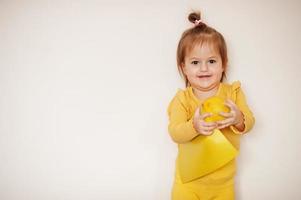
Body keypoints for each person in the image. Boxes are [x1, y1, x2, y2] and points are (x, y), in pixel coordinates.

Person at [167, 11, 255, 200]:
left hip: (223, 185)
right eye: (195, 62)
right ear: (184, 67)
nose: (204, 68)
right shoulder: (182, 99)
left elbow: (249, 122)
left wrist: (239, 118)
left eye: (212, 61)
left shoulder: (233, 93)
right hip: (188, 183)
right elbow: (175, 132)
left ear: (224, 64)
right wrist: (194, 126)